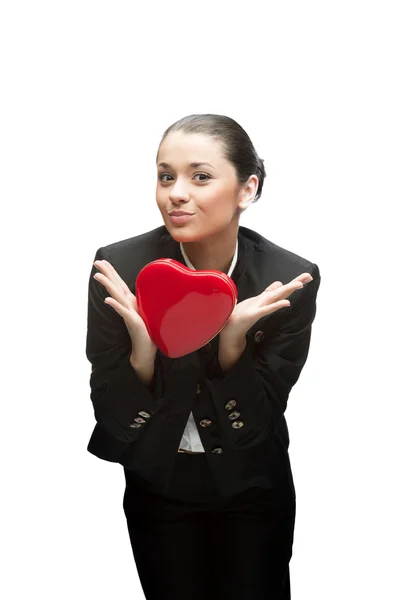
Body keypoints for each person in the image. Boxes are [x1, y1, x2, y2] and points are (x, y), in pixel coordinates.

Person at [85, 113, 321, 600]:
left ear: (247, 188)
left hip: (253, 491)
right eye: (165, 175)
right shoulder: (120, 268)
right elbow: (111, 417)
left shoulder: (288, 280)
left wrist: (232, 343)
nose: (176, 192)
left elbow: (256, 425)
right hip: (160, 490)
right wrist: (143, 353)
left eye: (201, 176)